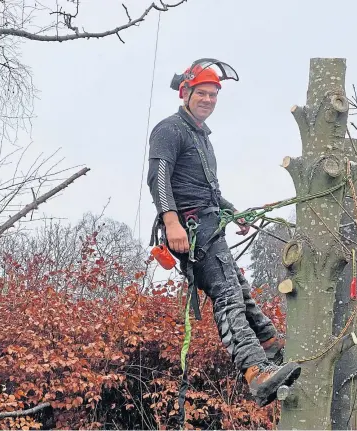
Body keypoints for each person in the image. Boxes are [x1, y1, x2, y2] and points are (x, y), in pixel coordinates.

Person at [146, 58, 301, 407]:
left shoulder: (200, 135)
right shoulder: (169, 130)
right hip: (191, 230)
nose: (209, 100)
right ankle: (255, 372)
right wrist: (171, 222)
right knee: (228, 296)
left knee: (240, 291)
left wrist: (232, 211)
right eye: (202, 93)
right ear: (186, 92)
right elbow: (157, 179)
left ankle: (271, 346)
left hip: (210, 224)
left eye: (214, 95)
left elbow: (205, 187)